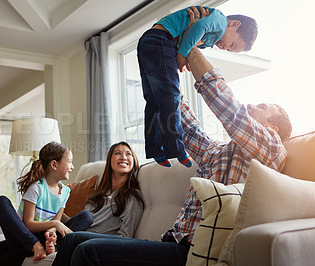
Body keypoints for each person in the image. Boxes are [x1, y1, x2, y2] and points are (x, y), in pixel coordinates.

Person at [52, 8, 291, 266]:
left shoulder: (271, 147)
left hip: (189, 253)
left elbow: (227, 106)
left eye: (264, 106)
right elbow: (183, 122)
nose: (254, 104)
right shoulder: (219, 154)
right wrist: (166, 68)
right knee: (73, 241)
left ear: (273, 128)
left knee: (88, 253)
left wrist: (192, 40)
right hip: (170, 242)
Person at [137, 5, 258, 168]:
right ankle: (176, 150)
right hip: (161, 40)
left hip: (150, 41)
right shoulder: (220, 20)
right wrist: (181, 56)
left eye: (230, 50)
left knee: (154, 100)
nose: (226, 48)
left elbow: (189, 37)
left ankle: (155, 150)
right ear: (234, 24)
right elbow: (197, 29)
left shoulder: (211, 37)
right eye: (232, 44)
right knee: (171, 97)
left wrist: (185, 51)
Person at [0, 141, 94, 266]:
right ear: (54, 164)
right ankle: (34, 246)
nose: (72, 166)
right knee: (1, 201)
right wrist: (55, 224)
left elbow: (55, 222)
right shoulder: (36, 188)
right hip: (23, 237)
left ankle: (52, 247)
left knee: (87, 216)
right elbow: (29, 224)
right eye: (69, 161)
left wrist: (51, 234)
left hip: (43, 237)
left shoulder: (65, 192)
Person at [84, 141, 144, 237]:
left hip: (94, 243)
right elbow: (79, 223)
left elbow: (125, 236)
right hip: (77, 235)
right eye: (118, 153)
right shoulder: (98, 194)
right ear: (109, 160)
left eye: (128, 154)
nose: (123, 157)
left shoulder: (132, 197)